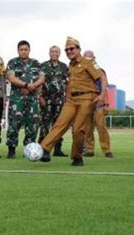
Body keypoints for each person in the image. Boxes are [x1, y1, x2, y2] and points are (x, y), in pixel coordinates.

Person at [40, 37, 108, 166]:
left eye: (71, 49)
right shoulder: (70, 66)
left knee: (78, 129)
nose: (69, 51)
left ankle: (77, 157)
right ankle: (44, 150)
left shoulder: (88, 62)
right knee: (60, 123)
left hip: (87, 99)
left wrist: (103, 95)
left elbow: (102, 77)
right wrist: (67, 97)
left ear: (78, 49)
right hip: (71, 100)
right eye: (66, 50)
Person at [5, 40, 45, 159]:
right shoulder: (13, 62)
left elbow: (42, 78)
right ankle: (11, 149)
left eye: (25, 49)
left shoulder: (36, 63)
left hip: (32, 99)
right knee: (14, 124)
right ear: (18, 51)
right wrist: (26, 85)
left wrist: (33, 86)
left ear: (29, 50)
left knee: (33, 125)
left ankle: (29, 150)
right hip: (17, 100)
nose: (23, 51)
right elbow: (11, 78)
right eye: (21, 49)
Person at [38, 45, 69, 157]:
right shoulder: (43, 66)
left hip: (60, 100)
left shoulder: (64, 67)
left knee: (58, 125)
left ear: (59, 53)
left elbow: (67, 83)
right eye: (52, 52)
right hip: (46, 100)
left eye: (56, 52)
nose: (54, 54)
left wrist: (67, 97)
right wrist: (40, 97)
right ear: (49, 53)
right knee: (45, 125)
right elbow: (39, 83)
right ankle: (41, 149)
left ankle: (57, 149)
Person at [82, 50, 113, 158]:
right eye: (86, 58)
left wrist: (107, 104)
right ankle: (89, 150)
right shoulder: (81, 71)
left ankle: (107, 150)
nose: (89, 60)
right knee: (87, 128)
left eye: (90, 58)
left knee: (101, 127)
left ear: (94, 58)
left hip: (99, 102)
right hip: (86, 102)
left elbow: (106, 89)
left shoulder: (101, 71)